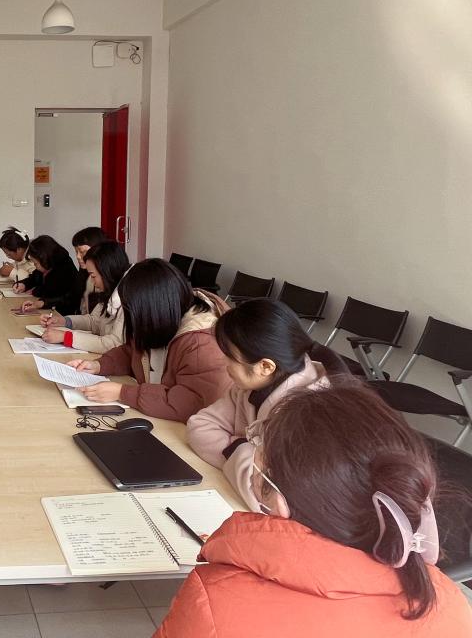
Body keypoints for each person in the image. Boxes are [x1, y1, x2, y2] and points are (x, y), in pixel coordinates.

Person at [156, 383, 472, 636]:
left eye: (259, 446)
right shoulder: (450, 602)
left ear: (280, 501)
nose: (253, 451)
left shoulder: (216, 600)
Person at [186, 298, 333, 510]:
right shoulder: (251, 386)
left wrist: (236, 451)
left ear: (265, 366)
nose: (223, 363)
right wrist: (242, 450)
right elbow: (199, 426)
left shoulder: (308, 415)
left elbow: (270, 500)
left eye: (230, 357)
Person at [67, 258, 232, 421]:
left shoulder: (201, 343)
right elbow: (133, 352)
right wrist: (99, 365)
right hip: (156, 418)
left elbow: (190, 403)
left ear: (154, 308)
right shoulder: (163, 320)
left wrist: (122, 393)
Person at [40, 241, 128, 353]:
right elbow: (94, 321)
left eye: (93, 276)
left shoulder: (127, 299)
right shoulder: (110, 291)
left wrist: (67, 337)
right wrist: (64, 321)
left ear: (107, 272)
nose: (92, 281)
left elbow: (114, 344)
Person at [16, 235, 81, 316]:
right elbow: (34, 278)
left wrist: (39, 297)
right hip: (49, 308)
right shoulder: (47, 265)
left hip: (63, 313)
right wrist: (24, 284)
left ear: (44, 259)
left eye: (35, 263)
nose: (35, 266)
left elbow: (52, 294)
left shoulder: (64, 268)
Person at [70, 226, 110, 313]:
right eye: (76, 252)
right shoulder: (84, 273)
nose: (78, 256)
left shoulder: (106, 278)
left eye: (82, 252)